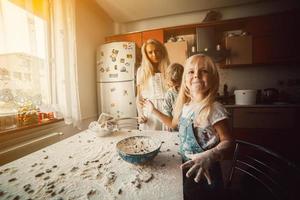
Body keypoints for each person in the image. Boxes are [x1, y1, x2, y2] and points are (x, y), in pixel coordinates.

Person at [170, 54, 234, 199]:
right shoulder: (185, 107)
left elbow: (229, 141)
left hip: (208, 170)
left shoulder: (214, 108)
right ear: (185, 80)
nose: (197, 75)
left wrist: (210, 155)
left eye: (204, 71)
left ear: (213, 79)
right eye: (191, 71)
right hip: (187, 166)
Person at [136, 39, 170, 130]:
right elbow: (139, 97)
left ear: (162, 51)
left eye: (157, 51)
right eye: (150, 52)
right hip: (149, 111)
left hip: (166, 110)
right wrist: (140, 114)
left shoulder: (169, 69)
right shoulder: (141, 71)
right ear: (146, 55)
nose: (154, 55)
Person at [143, 62, 184, 130]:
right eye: (171, 86)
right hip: (174, 131)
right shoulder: (169, 94)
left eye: (178, 86)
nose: (175, 89)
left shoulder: (189, 92)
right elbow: (167, 116)